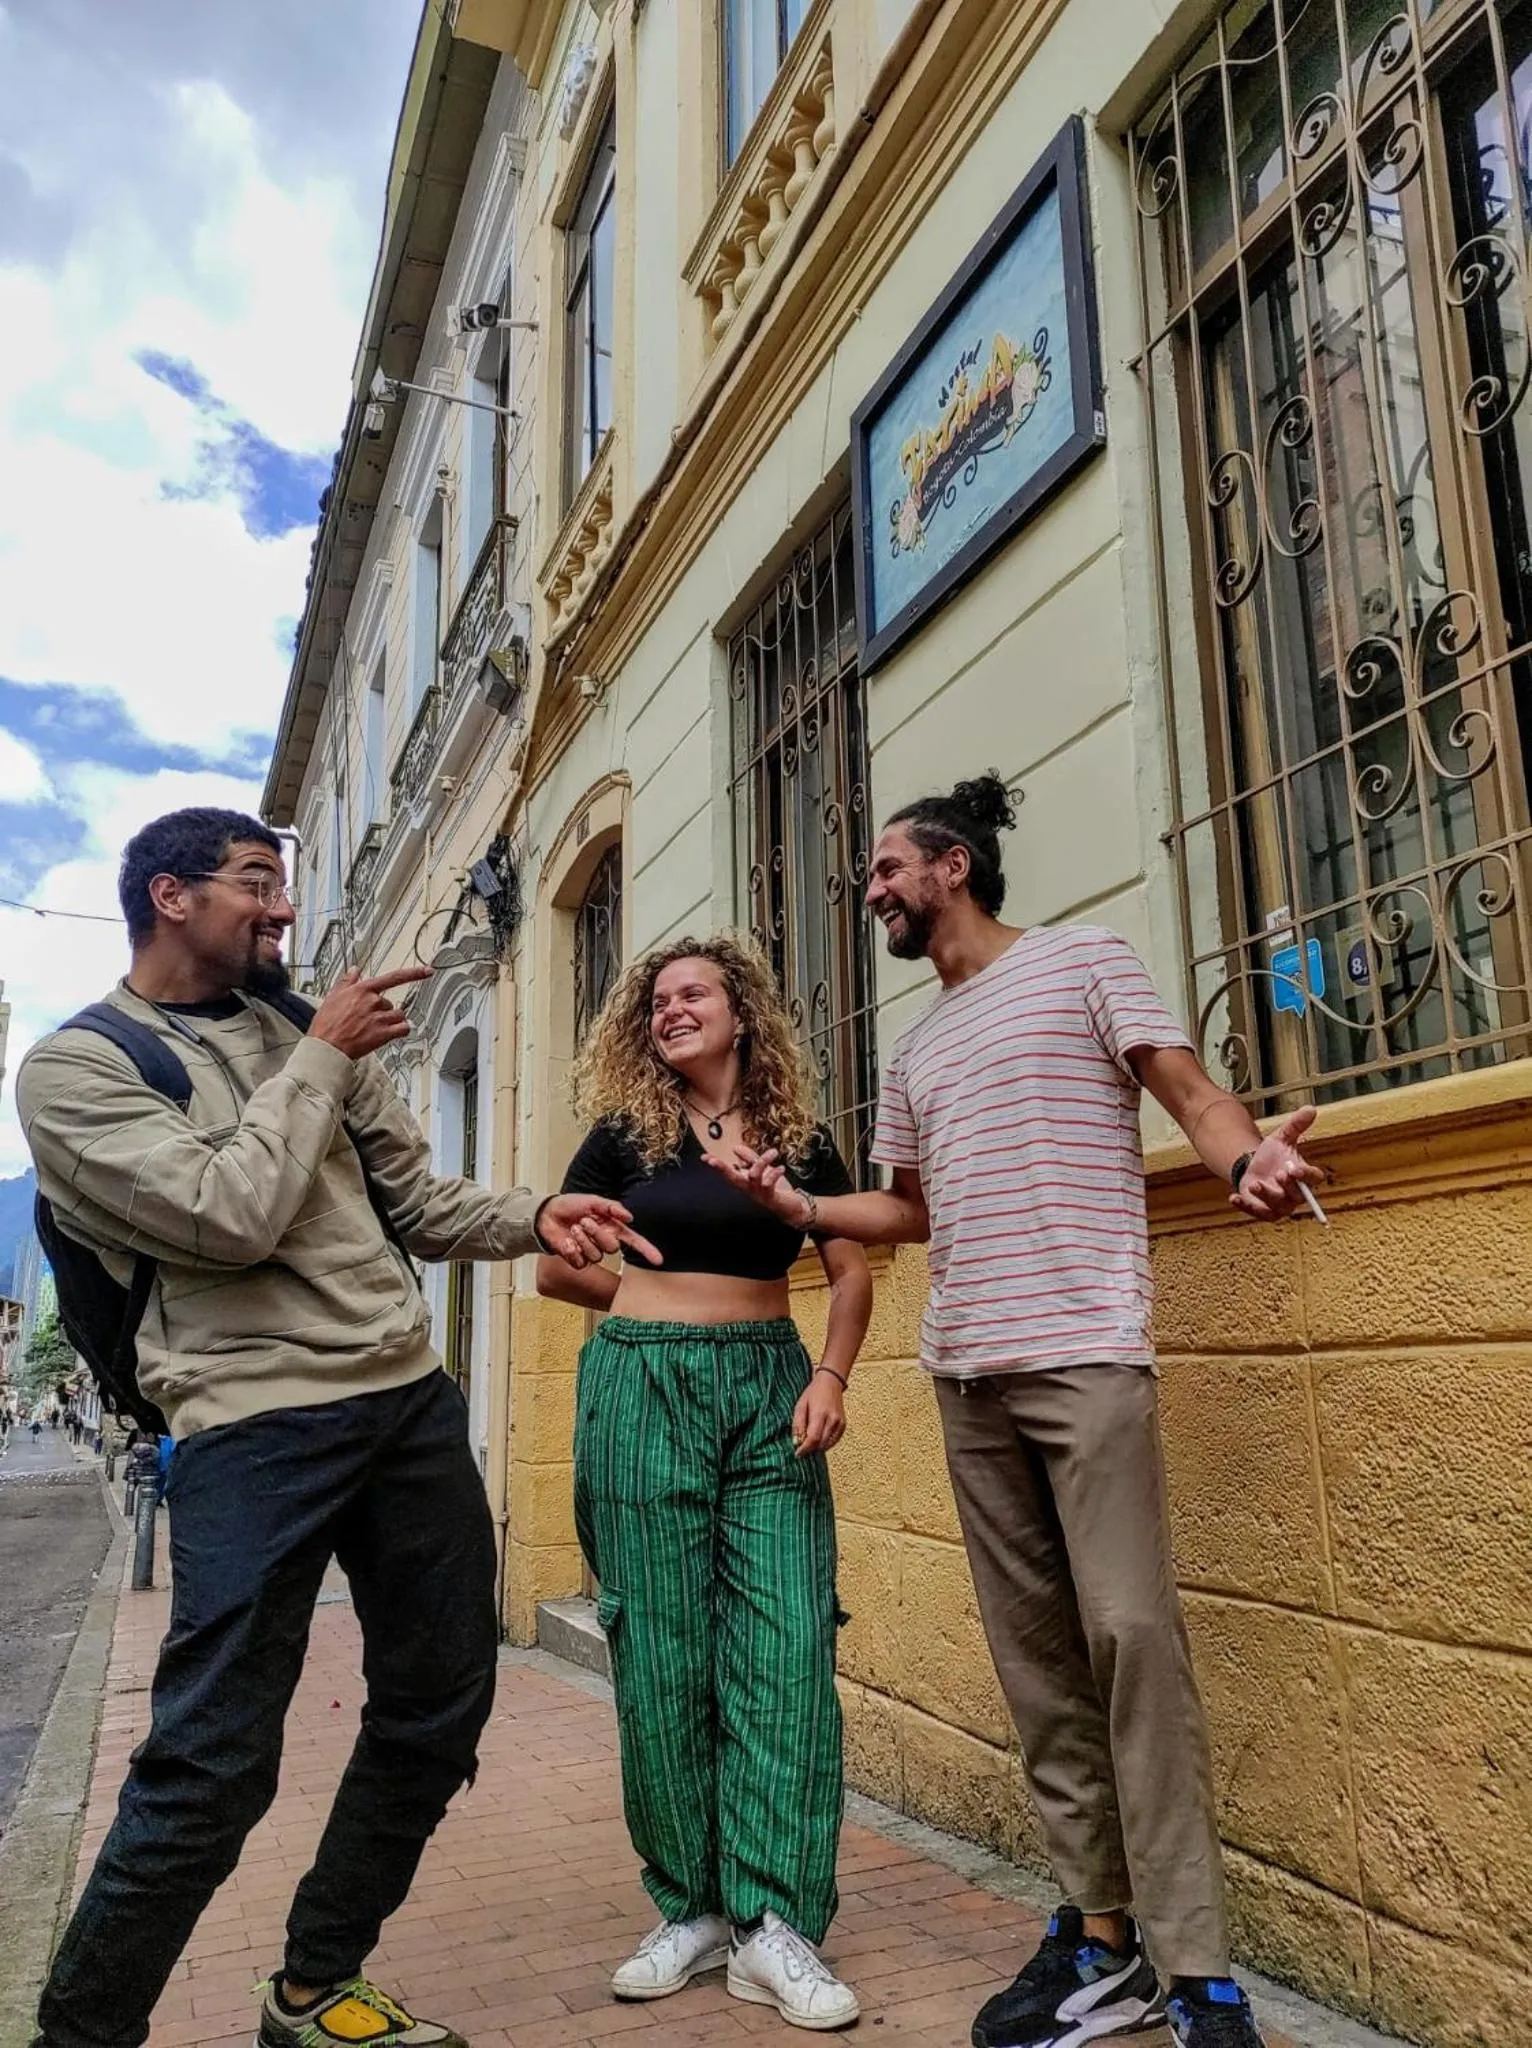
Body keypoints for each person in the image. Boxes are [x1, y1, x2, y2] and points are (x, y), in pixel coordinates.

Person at [18, 806, 657, 2048]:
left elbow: (412, 1199)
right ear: (168, 895)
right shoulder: (78, 1068)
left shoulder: (298, 1031)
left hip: (405, 1402)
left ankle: (314, 1983)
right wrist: (320, 1052)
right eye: (255, 883)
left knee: (440, 1698)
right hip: (253, 1425)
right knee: (211, 1763)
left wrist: (539, 1213)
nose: (281, 909)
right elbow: (226, 1213)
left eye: (282, 884)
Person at [711, 774, 1323, 2048]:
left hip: (1085, 1355)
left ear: (950, 865)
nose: (870, 889)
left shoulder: (1082, 960)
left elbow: (1187, 1086)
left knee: (1131, 1640)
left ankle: (1196, 1964)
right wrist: (801, 1210)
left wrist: (1243, 1154)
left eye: (886, 868)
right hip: (966, 1375)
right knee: (1040, 1673)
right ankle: (1097, 1933)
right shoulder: (918, 1042)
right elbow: (910, 1209)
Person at [536, 934, 872, 2032]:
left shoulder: (796, 1137)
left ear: (742, 1012)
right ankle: (689, 1907)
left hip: (773, 1392)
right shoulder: (623, 1134)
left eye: (694, 994)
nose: (672, 1010)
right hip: (640, 1392)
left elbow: (851, 1266)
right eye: (658, 1000)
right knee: (662, 1648)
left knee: (782, 1643)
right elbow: (551, 1260)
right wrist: (644, 1298)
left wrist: (829, 1373)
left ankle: (774, 1923)